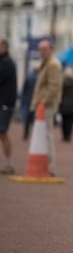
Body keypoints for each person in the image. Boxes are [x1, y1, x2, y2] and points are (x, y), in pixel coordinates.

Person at [30, 40, 63, 176]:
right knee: (42, 135)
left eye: (44, 49)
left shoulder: (53, 64)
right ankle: (45, 165)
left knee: (47, 135)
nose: (42, 52)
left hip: (47, 105)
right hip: (42, 103)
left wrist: (44, 102)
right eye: (40, 49)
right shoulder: (46, 63)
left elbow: (54, 87)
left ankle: (50, 166)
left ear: (51, 49)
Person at [0, 38, 17, 175]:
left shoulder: (7, 63)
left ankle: (9, 163)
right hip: (3, 103)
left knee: (3, 132)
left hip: (5, 103)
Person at [59, 67, 73, 142]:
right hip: (72, 105)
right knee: (70, 121)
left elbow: (60, 94)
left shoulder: (62, 83)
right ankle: (69, 135)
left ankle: (64, 135)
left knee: (64, 121)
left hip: (64, 104)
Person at [19, 65, 38, 141]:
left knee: (27, 118)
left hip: (28, 99)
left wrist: (23, 98)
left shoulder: (28, 77)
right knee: (34, 118)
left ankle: (26, 134)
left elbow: (24, 89)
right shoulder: (39, 78)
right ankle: (34, 134)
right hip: (35, 100)